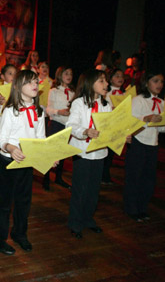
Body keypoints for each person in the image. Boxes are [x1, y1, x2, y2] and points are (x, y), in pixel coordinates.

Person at [0, 70, 46, 255]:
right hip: (8, 163)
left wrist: (47, 156)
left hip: (27, 165)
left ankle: (19, 234)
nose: (35, 85)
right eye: (30, 82)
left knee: (24, 203)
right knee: (4, 203)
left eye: (36, 81)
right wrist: (11, 148)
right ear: (18, 86)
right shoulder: (10, 110)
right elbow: (1, 139)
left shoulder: (39, 111)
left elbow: (41, 139)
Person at [66, 69, 112, 239]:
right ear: (90, 83)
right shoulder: (79, 103)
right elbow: (71, 126)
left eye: (106, 81)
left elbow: (110, 127)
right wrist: (85, 131)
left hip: (99, 153)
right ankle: (75, 222)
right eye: (101, 81)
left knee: (93, 189)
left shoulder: (106, 104)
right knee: (80, 189)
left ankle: (88, 219)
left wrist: (121, 134)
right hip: (82, 152)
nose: (106, 84)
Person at [124, 72, 165, 222]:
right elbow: (129, 122)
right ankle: (131, 208)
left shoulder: (161, 103)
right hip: (137, 142)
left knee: (148, 179)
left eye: (161, 82)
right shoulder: (139, 100)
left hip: (153, 143)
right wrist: (146, 119)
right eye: (155, 81)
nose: (159, 84)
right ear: (146, 82)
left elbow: (160, 129)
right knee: (134, 177)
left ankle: (142, 207)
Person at [43, 66, 75, 190]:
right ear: (60, 75)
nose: (69, 76)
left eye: (71, 74)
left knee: (62, 153)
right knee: (51, 153)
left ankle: (58, 177)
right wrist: (59, 111)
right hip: (56, 124)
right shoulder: (54, 91)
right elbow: (48, 109)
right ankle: (46, 178)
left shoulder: (72, 92)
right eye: (66, 73)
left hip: (67, 126)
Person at [0, 64, 17, 191]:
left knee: (10, 158)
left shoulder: (18, 90)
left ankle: (8, 185)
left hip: (13, 130)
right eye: (10, 73)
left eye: (15, 73)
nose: (13, 76)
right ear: (2, 76)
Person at [102, 68, 126, 185]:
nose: (120, 78)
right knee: (106, 151)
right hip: (109, 125)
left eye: (121, 76)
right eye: (116, 76)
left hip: (119, 126)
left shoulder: (126, 93)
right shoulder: (106, 93)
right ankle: (103, 174)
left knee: (112, 152)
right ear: (110, 79)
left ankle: (106, 174)